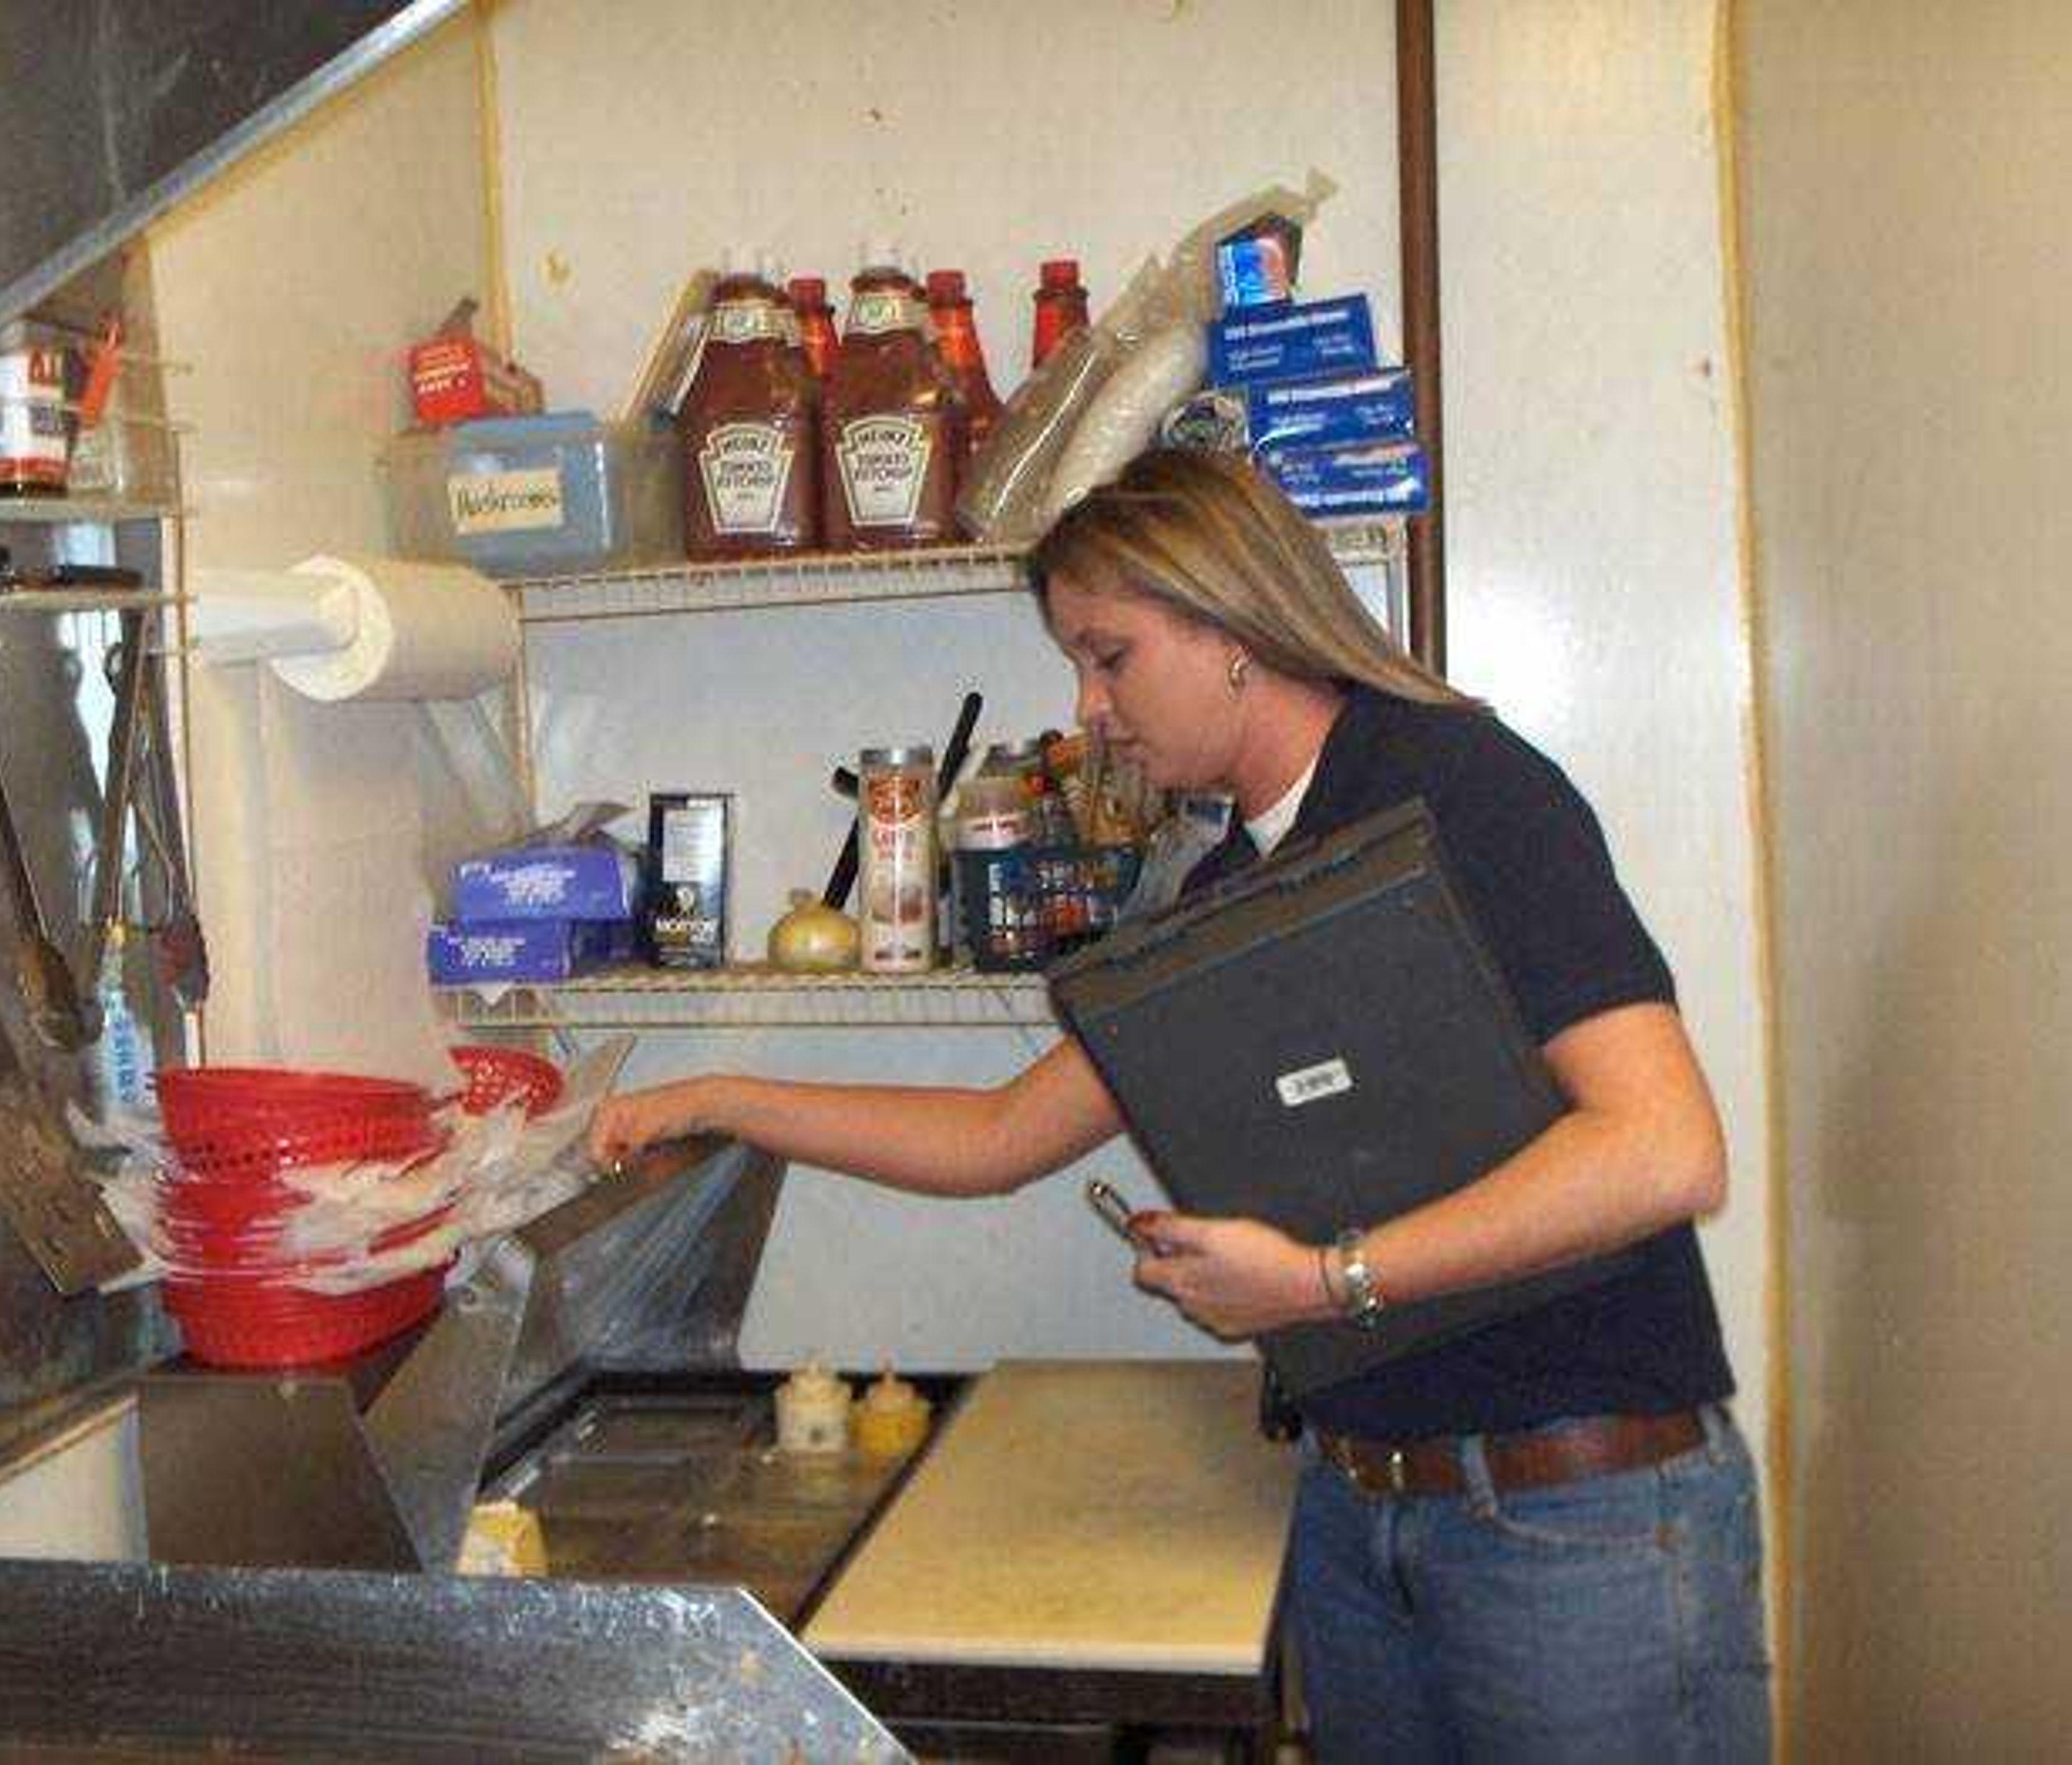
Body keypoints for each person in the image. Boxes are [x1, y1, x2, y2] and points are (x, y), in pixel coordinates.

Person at [588, 446, 1770, 1761]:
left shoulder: (1460, 790)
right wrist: (725, 1097)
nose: (1087, 707)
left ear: (1231, 632)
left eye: (1110, 655)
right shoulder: (1226, 892)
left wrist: (1323, 1282)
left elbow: (1663, 1150)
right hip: (1361, 1508)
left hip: (1573, 1516)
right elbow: (996, 1140)